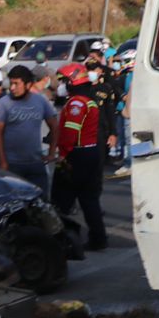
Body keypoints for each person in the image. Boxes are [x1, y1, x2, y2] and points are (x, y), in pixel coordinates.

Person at [53, 69, 110, 250]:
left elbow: (70, 132)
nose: (62, 85)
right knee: (89, 199)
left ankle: (61, 241)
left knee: (61, 200)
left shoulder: (76, 103)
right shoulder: (90, 102)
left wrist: (63, 155)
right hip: (90, 153)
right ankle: (98, 238)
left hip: (76, 155)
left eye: (64, 81)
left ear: (72, 82)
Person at [0, 64, 57, 196]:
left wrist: (51, 152)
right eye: (11, 83)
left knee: (41, 203)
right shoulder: (4, 103)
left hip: (36, 164)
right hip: (11, 165)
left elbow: (54, 126)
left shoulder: (40, 101)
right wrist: (3, 161)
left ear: (28, 85)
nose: (12, 88)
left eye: (16, 84)